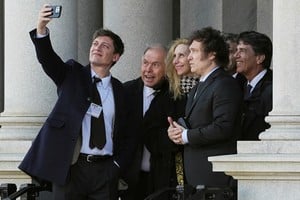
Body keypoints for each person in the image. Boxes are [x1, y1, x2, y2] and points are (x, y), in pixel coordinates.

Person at [19, 5, 133, 200]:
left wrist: (116, 166)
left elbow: (128, 135)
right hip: (71, 169)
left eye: (104, 45)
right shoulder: (72, 74)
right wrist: (41, 29)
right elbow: (48, 60)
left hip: (105, 171)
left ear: (115, 57)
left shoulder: (121, 90)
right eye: (95, 43)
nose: (97, 47)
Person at [167, 27, 242, 198]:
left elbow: (223, 127)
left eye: (193, 51)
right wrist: (176, 132)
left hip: (216, 180)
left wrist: (186, 136)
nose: (189, 56)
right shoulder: (198, 87)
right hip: (198, 178)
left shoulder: (224, 84)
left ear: (211, 54)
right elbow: (196, 123)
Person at [120, 44, 172, 200]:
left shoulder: (175, 95)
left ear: (167, 68)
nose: (148, 69)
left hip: (162, 180)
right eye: (145, 63)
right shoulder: (125, 91)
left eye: (155, 65)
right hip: (127, 179)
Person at [234, 31, 273, 140]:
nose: (236, 55)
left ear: (259, 58)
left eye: (242, 51)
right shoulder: (237, 85)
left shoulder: (272, 90)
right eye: (237, 50)